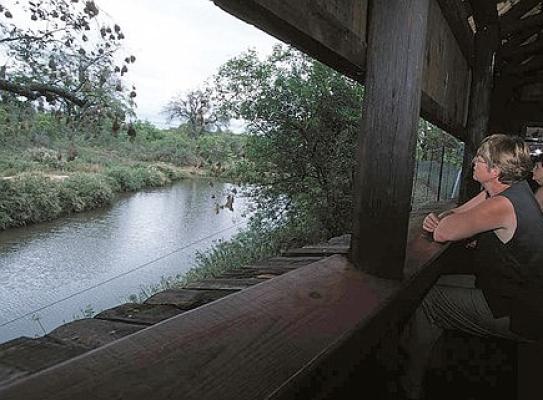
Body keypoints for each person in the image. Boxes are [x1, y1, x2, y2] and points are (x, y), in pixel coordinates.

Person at [400, 134, 543, 400]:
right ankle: (428, 353)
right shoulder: (512, 189)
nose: (474, 161)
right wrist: (444, 220)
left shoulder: (502, 203)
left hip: (524, 313)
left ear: (495, 171)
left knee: (428, 300)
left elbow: (444, 232)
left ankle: (411, 385)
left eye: (481, 158)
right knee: (436, 286)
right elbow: (455, 215)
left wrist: (441, 223)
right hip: (514, 293)